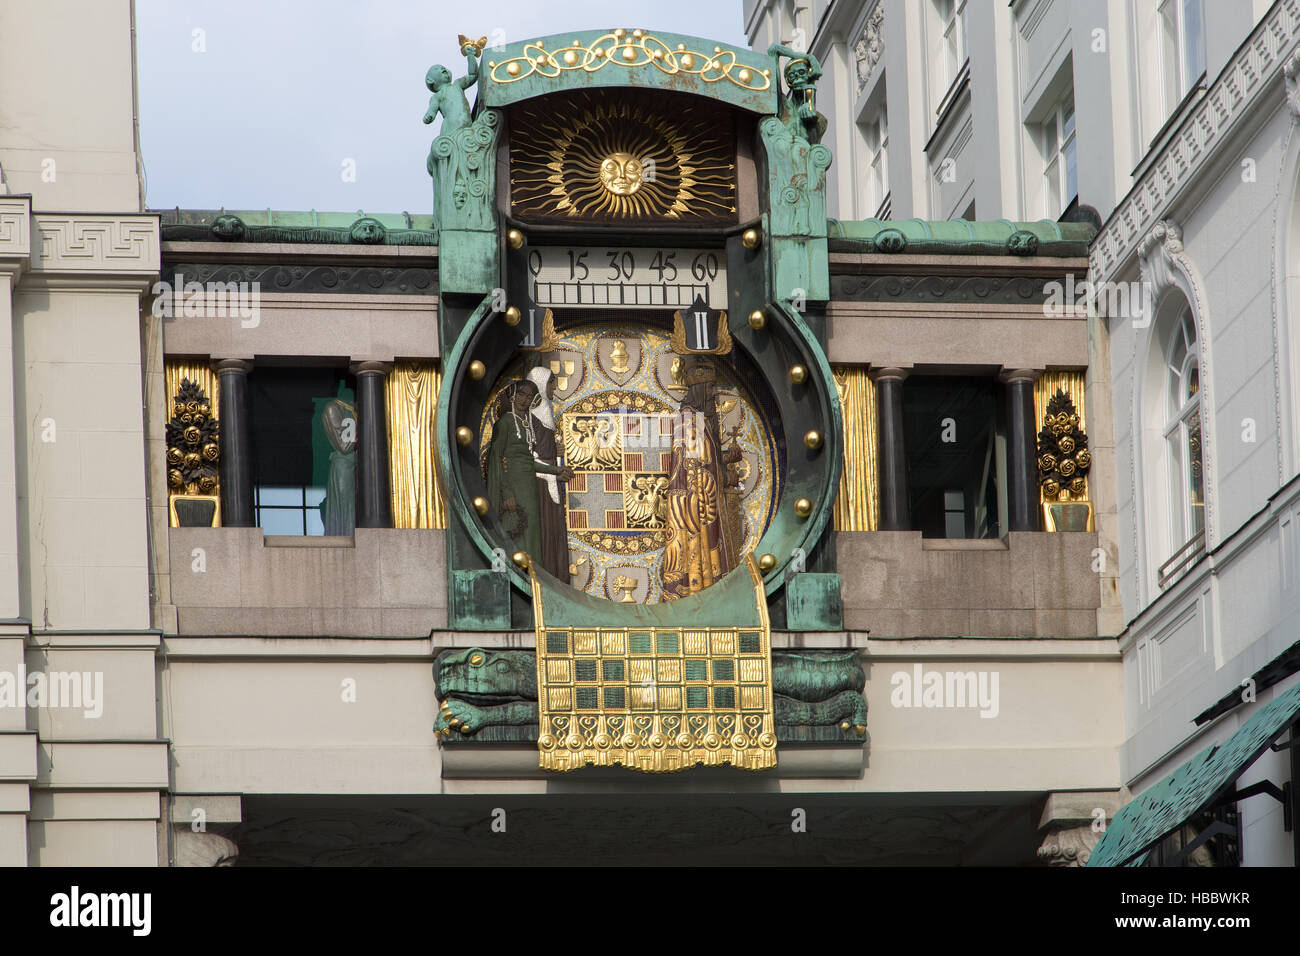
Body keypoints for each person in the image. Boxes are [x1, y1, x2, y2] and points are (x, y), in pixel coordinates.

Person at [661, 360, 740, 599]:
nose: (713, 396)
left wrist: (725, 458)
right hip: (693, 506)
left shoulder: (699, 420)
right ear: (698, 390)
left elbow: (704, 460)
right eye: (709, 390)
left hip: (699, 498)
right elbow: (692, 469)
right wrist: (725, 475)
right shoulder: (689, 420)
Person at [485, 379, 573, 569]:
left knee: (532, 533)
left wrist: (556, 470)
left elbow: (527, 461)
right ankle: (512, 573)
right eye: (522, 394)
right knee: (514, 530)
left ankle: (533, 574)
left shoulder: (527, 426)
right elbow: (496, 459)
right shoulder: (505, 422)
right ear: (513, 396)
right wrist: (507, 493)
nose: (525, 400)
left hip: (529, 488)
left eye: (530, 396)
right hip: (514, 487)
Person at [525, 366, 570, 584]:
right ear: (542, 385)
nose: (554, 387)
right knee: (547, 528)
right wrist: (552, 465)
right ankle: (550, 576)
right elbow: (531, 453)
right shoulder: (536, 412)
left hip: (549, 474)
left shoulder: (545, 410)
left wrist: (554, 450)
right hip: (542, 481)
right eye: (551, 383)